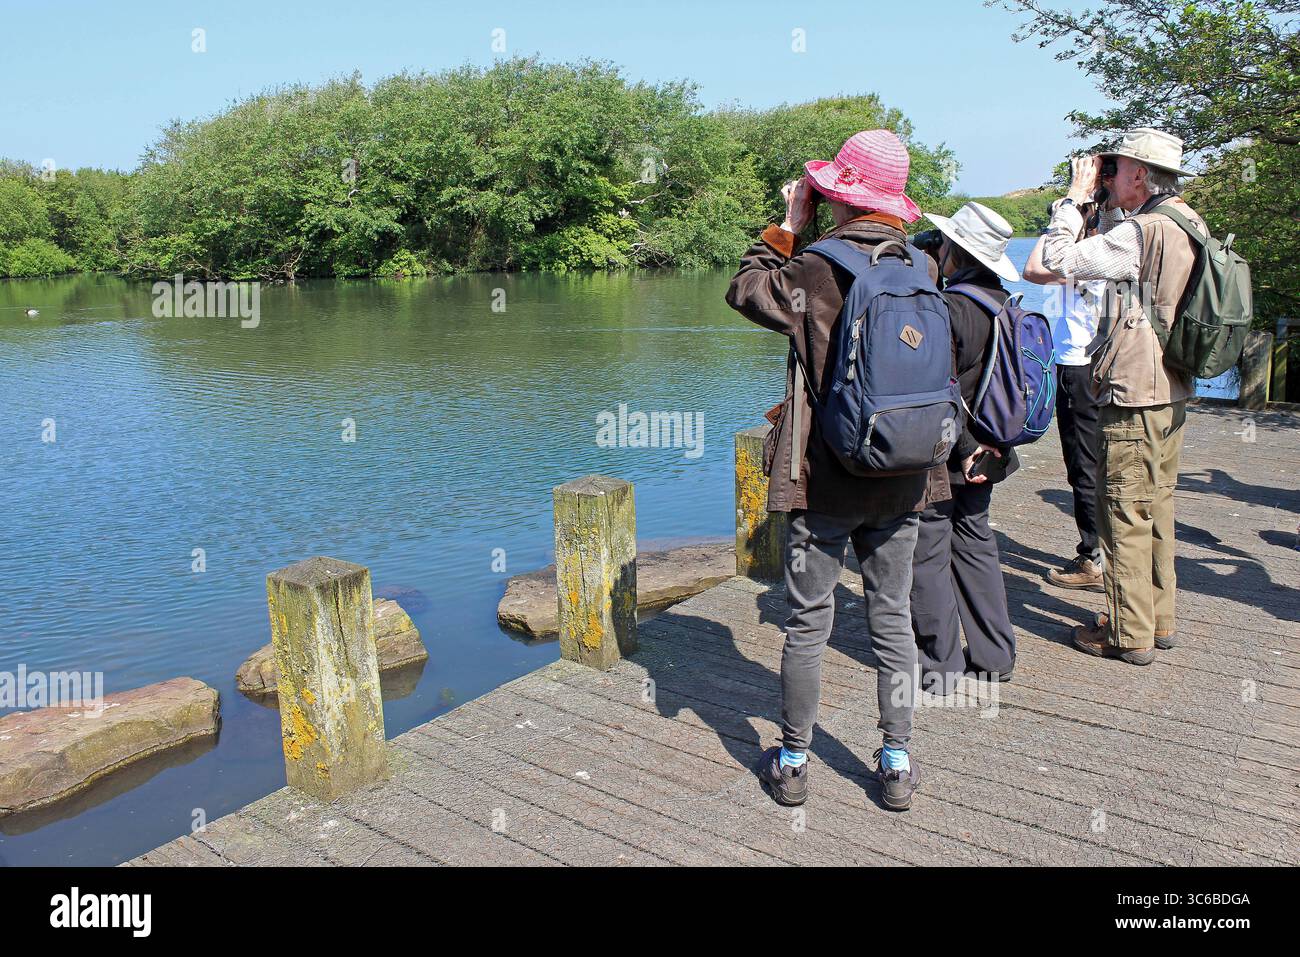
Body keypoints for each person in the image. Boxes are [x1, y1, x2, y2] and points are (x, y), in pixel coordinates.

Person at [725, 130, 940, 811]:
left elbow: (744, 290)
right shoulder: (922, 267)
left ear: (837, 195)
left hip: (825, 476)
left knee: (808, 621)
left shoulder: (816, 268)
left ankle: (792, 763)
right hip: (904, 470)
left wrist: (788, 225)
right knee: (892, 619)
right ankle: (897, 763)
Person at [1039, 128, 1202, 665]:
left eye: (1117, 169)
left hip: (1135, 388)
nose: (1109, 178)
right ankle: (1159, 618)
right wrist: (1105, 203)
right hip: (1173, 383)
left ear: (1139, 174)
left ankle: (1128, 634)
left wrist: (1074, 200)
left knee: (1124, 509)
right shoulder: (1185, 221)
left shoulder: (1144, 231)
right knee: (1157, 503)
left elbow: (1059, 258)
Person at [909, 202, 1020, 694]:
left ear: (956, 250)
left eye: (941, 242)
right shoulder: (1003, 302)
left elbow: (940, 387)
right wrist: (988, 446)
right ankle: (995, 655)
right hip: (991, 447)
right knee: (975, 542)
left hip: (953, 450)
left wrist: (964, 447)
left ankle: (940, 667)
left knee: (928, 549)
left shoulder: (949, 308)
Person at [1024, 215, 1108, 589]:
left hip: (1077, 368)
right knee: (1096, 463)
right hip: (1096, 365)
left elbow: (1031, 270)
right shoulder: (1112, 259)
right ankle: (1102, 551)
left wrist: (1057, 221)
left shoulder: (1088, 264)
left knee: (1082, 465)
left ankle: (1092, 557)